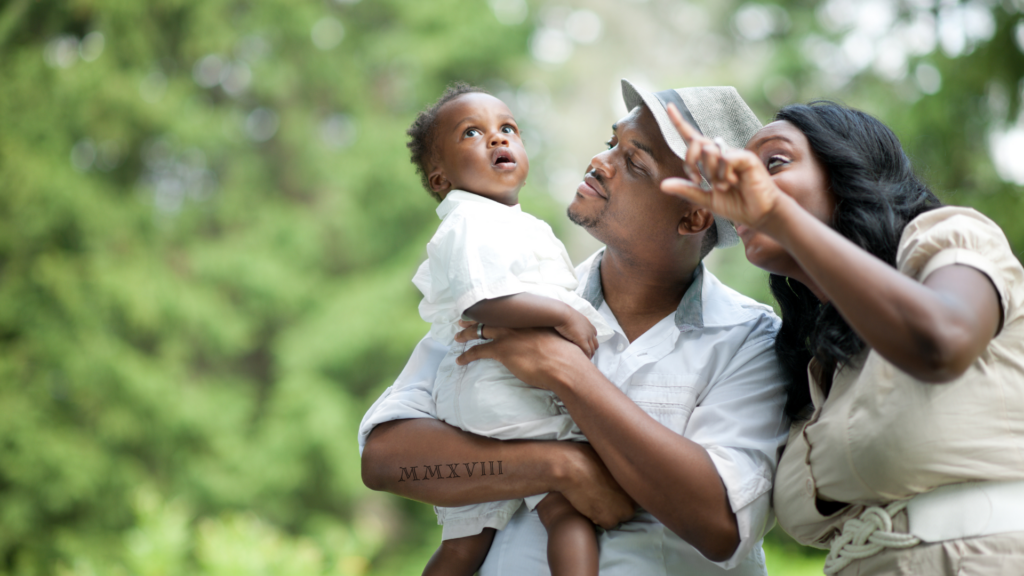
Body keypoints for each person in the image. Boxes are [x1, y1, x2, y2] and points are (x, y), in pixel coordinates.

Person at [359, 80, 789, 576]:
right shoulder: (517, 291)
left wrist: (568, 373)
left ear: (693, 218)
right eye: (611, 143)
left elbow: (721, 527)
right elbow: (386, 461)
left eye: (634, 163)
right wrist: (556, 466)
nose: (599, 161)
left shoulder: (748, 338)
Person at [661, 100, 1024, 575]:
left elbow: (943, 342)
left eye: (774, 163)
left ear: (847, 170)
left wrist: (777, 215)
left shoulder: (948, 238)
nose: (745, 185)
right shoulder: (812, 366)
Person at [405, 81, 614, 576]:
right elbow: (482, 299)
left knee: (465, 542)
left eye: (508, 129)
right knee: (567, 511)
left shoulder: (515, 223)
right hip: (497, 387)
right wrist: (562, 316)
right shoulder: (469, 222)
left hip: (482, 391)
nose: (498, 140)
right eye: (472, 133)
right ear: (440, 179)